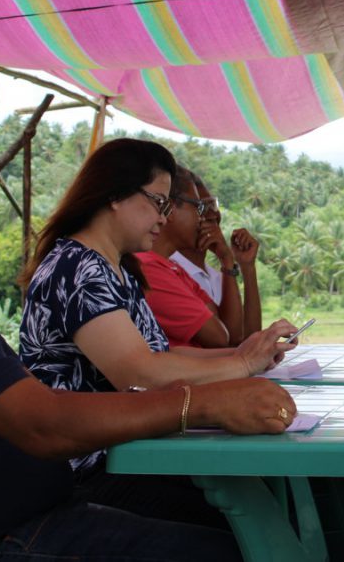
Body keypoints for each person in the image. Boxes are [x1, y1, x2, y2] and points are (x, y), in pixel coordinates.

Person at [0, 124, 298, 561]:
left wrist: (235, 366)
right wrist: (203, 403)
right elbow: (46, 424)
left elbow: (32, 398)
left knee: (252, 523)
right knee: (246, 547)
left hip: (21, 513)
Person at [18, 138, 294, 474]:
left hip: (130, 449)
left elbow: (160, 355)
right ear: (116, 196)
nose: (163, 219)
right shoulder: (77, 269)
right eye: (158, 203)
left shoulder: (115, 267)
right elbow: (140, 374)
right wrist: (242, 364)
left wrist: (240, 355)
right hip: (91, 467)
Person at [137, 165, 240, 348]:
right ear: (170, 208)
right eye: (198, 207)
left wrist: (229, 260)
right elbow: (220, 338)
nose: (202, 219)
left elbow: (229, 333)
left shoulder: (173, 270)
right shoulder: (149, 268)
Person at [170, 173, 261, 345]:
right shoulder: (173, 271)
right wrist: (227, 261)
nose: (212, 213)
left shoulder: (218, 276)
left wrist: (247, 267)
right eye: (200, 206)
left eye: (213, 204)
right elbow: (229, 342)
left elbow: (249, 340)